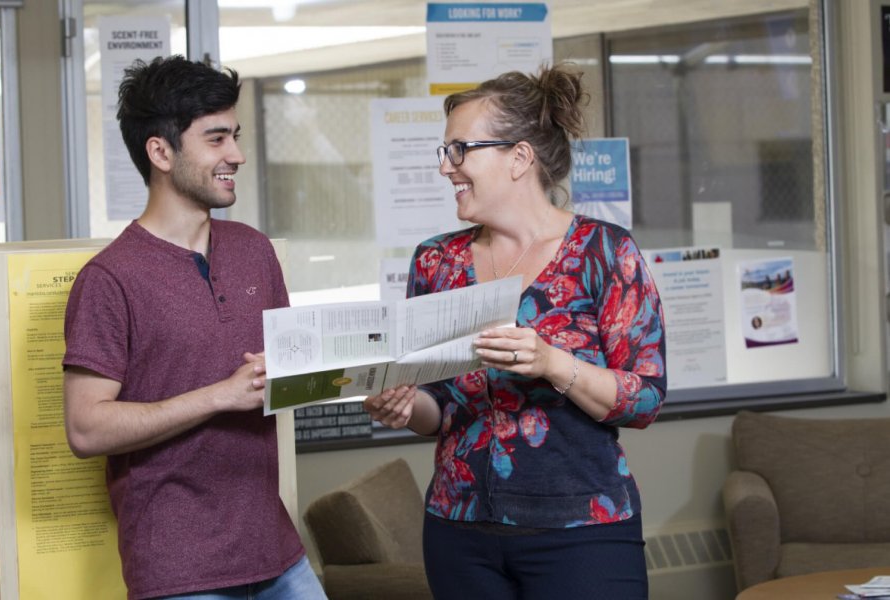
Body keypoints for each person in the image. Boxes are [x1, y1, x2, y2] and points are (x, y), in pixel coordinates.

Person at [364, 63, 667, 600]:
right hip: (458, 532)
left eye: (461, 150)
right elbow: (437, 406)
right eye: (445, 151)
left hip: (583, 534)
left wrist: (553, 363)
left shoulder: (604, 252)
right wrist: (404, 406)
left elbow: (643, 398)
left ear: (519, 158)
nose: (446, 168)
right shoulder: (437, 261)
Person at [62, 55, 326, 600]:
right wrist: (220, 396)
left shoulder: (254, 251)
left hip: (276, 550)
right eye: (216, 139)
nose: (237, 155)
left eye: (235, 136)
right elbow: (86, 429)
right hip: (178, 570)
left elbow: (292, 374)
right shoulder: (109, 278)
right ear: (161, 151)